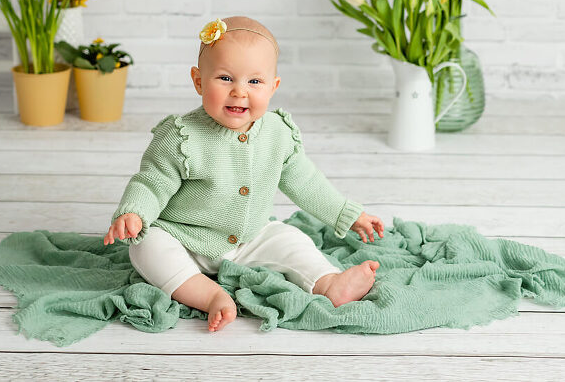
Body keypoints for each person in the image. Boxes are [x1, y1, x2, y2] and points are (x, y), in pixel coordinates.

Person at [105, 16, 384, 332]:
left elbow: (306, 182)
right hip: (184, 237)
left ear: (273, 86)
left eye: (254, 82)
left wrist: (348, 214)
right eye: (225, 78)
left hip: (251, 237)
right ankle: (209, 295)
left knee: (291, 238)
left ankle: (328, 282)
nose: (239, 92)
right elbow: (152, 181)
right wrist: (135, 212)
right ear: (198, 80)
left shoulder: (278, 133)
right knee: (146, 247)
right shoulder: (181, 136)